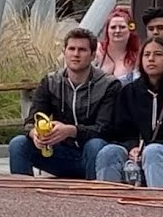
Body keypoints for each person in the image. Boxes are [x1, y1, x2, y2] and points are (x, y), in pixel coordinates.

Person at [8, 28, 118, 179]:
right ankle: (22, 197)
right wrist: (36, 135)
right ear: (64, 52)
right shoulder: (50, 82)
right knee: (18, 143)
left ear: (93, 55)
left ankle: (94, 197)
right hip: (58, 152)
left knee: (96, 145)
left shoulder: (109, 84)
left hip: (92, 154)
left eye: (82, 50)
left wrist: (71, 131)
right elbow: (30, 122)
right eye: (71, 49)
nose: (76, 54)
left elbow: (105, 129)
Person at [96, 37, 163, 188]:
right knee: (108, 153)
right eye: (146, 54)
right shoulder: (130, 92)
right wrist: (132, 147)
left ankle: (158, 207)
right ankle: (107, 207)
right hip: (135, 158)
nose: (151, 59)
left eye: (157, 54)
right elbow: (120, 131)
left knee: (153, 152)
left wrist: (147, 149)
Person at [94, 6, 140, 83]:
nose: (117, 31)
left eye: (122, 27)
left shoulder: (137, 54)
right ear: (107, 30)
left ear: (130, 30)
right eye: (113, 27)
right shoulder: (97, 50)